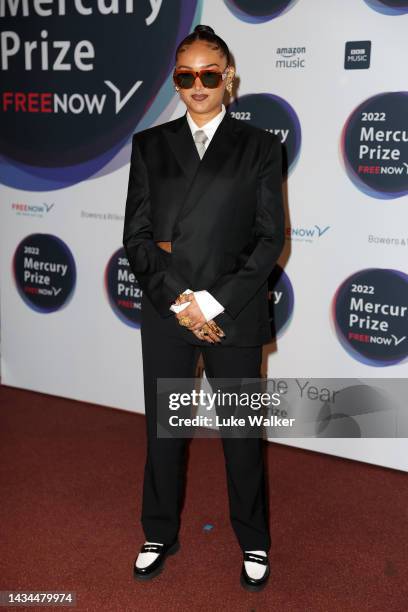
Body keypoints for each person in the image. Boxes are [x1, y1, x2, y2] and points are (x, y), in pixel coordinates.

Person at [123, 24, 285, 591]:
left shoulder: (262, 146)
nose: (197, 85)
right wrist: (180, 303)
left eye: (208, 74)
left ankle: (254, 538)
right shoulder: (150, 145)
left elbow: (269, 240)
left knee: (242, 433)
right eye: (185, 75)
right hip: (169, 311)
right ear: (176, 79)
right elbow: (137, 239)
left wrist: (212, 303)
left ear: (229, 78)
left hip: (232, 311)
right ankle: (157, 530)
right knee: (165, 430)